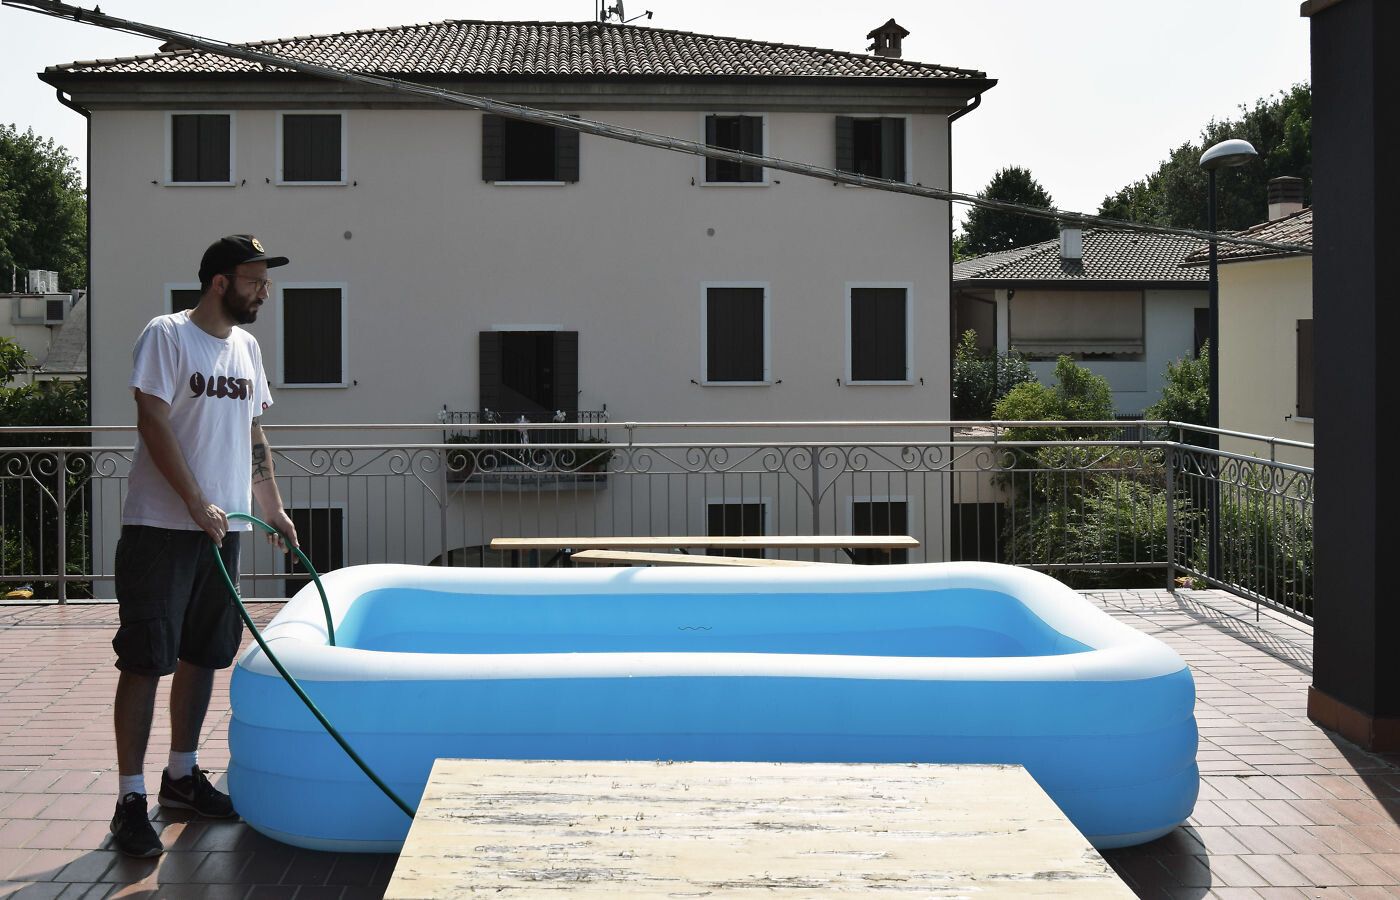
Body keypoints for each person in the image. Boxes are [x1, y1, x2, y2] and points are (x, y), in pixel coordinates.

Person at [109, 234, 300, 858]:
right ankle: (130, 800)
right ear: (220, 281)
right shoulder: (166, 336)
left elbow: (253, 432)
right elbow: (151, 419)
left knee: (203, 655)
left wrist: (273, 510)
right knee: (145, 660)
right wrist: (193, 500)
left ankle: (182, 778)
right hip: (161, 529)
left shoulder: (247, 347)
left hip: (223, 532)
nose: (264, 289)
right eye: (255, 278)